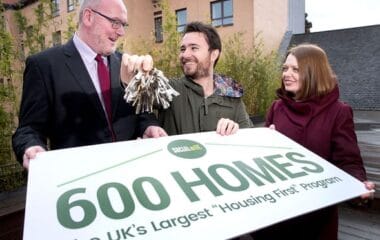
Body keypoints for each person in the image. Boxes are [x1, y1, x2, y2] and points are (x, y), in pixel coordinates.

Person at [12, 0, 167, 170]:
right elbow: (28, 129)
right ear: (88, 17)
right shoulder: (44, 66)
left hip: (130, 173)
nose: (121, 32)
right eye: (115, 23)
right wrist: (30, 147)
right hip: (79, 179)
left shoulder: (126, 64)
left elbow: (142, 114)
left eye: (123, 25)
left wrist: (149, 126)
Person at [252, 43, 375, 240]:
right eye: (285, 68)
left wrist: (358, 185)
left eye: (295, 69)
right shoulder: (276, 108)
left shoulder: (338, 112)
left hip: (315, 220)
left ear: (313, 72)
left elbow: (348, 160)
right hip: (277, 217)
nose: (286, 74)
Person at [153, 21, 253, 135]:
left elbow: (249, 139)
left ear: (214, 55)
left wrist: (236, 130)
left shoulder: (232, 96)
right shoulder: (169, 90)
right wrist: (139, 73)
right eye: (182, 49)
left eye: (194, 48)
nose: (185, 55)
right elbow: (138, 97)